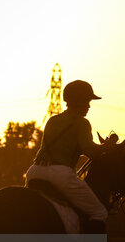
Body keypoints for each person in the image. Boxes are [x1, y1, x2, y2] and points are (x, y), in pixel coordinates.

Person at [25, 80, 108, 225]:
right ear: (79, 101)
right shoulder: (82, 123)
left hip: (34, 171)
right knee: (99, 212)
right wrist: (107, 146)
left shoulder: (53, 120)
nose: (89, 106)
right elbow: (90, 151)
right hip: (60, 174)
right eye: (87, 101)